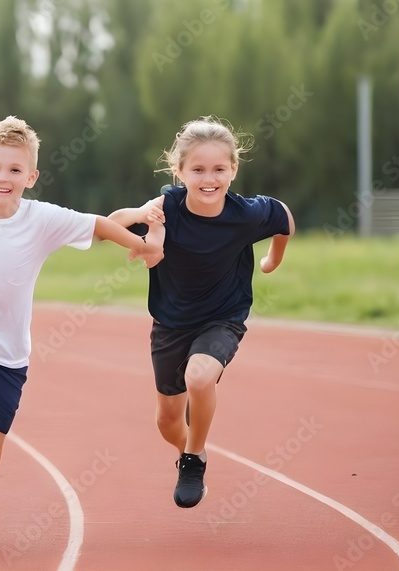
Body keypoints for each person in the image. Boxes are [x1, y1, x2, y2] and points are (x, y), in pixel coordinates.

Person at [0, 115, 162, 545]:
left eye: (13, 170)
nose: (2, 178)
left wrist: (138, 244)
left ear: (31, 176)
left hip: (7, 352)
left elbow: (98, 225)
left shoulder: (43, 218)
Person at [108, 115, 295, 509]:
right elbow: (110, 226)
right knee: (167, 422)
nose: (208, 179)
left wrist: (272, 260)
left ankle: (192, 460)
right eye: (197, 169)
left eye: (218, 169)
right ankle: (188, 447)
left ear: (233, 170)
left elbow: (284, 218)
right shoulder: (167, 207)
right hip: (171, 324)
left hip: (223, 317)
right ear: (179, 171)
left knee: (200, 375)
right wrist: (142, 215)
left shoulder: (246, 214)